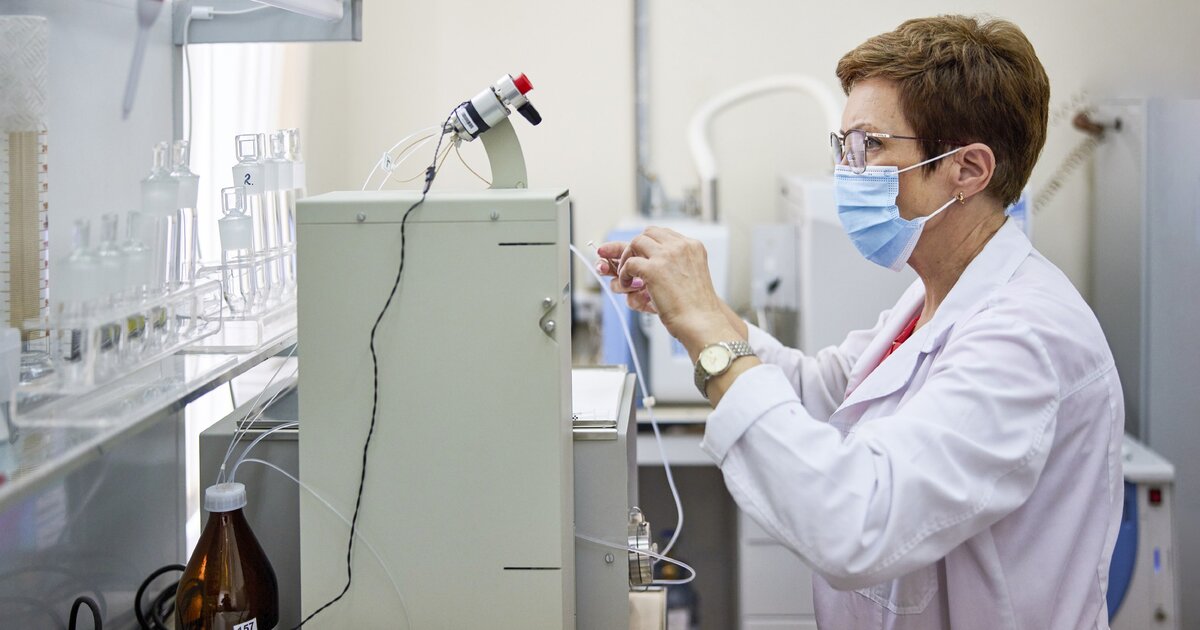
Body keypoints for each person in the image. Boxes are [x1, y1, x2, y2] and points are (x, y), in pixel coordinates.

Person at [598, 15, 1123, 629]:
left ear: (968, 169)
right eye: (844, 146)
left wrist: (709, 328)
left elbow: (859, 525)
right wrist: (692, 310)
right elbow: (821, 392)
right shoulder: (935, 295)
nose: (847, 171)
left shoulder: (1027, 336)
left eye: (869, 145)